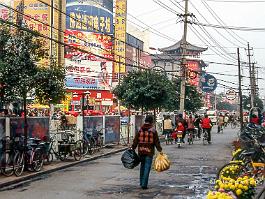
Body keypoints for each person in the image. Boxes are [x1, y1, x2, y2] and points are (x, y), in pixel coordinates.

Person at [132, 115, 162, 190]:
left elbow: (136, 140)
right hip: (149, 152)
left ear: (145, 121)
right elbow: (156, 142)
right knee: (147, 167)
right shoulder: (153, 130)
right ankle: (144, 184)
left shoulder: (140, 129)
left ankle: (141, 182)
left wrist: (133, 148)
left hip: (141, 151)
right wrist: (160, 150)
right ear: (151, 121)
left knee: (142, 166)